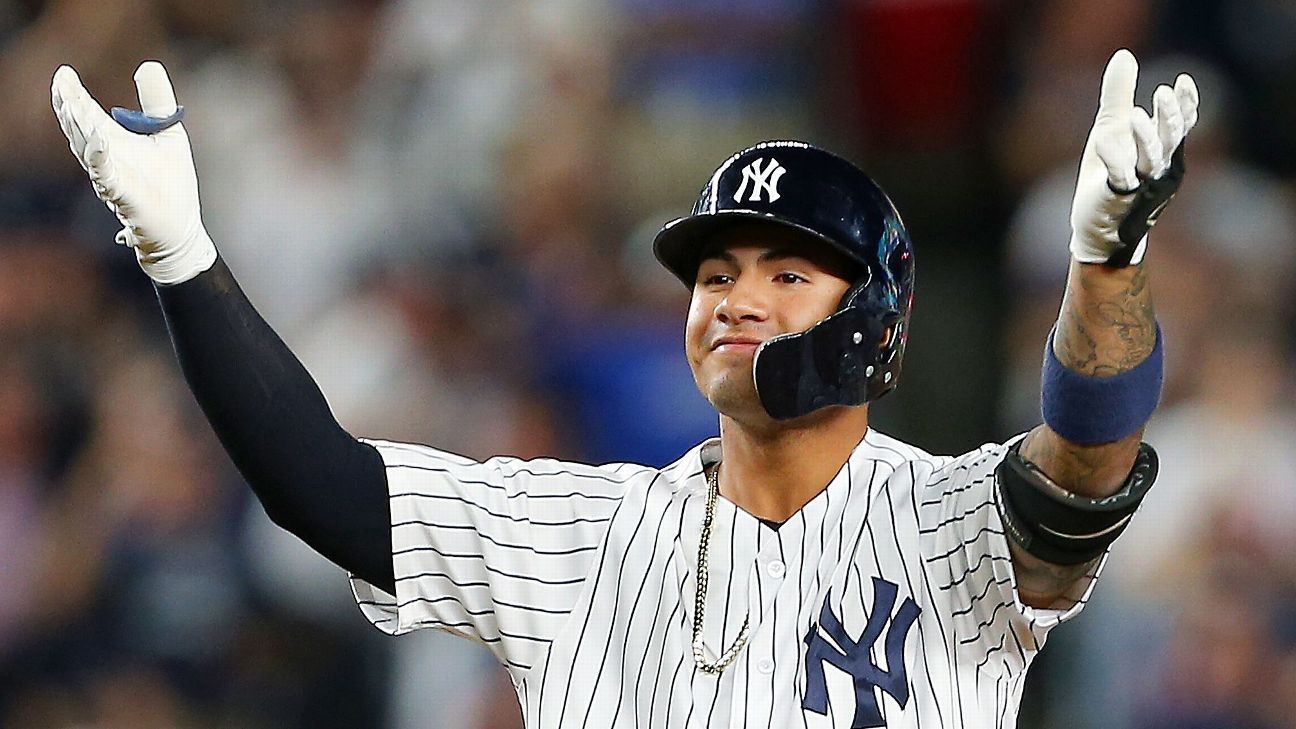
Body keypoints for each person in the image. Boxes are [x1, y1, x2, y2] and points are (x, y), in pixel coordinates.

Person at [49, 48, 1197, 727]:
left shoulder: (950, 517)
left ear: (875, 320)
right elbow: (324, 489)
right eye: (713, 273)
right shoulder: (581, 531)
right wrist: (184, 261)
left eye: (785, 272)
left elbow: (1083, 469)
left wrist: (1104, 267)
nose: (733, 300)